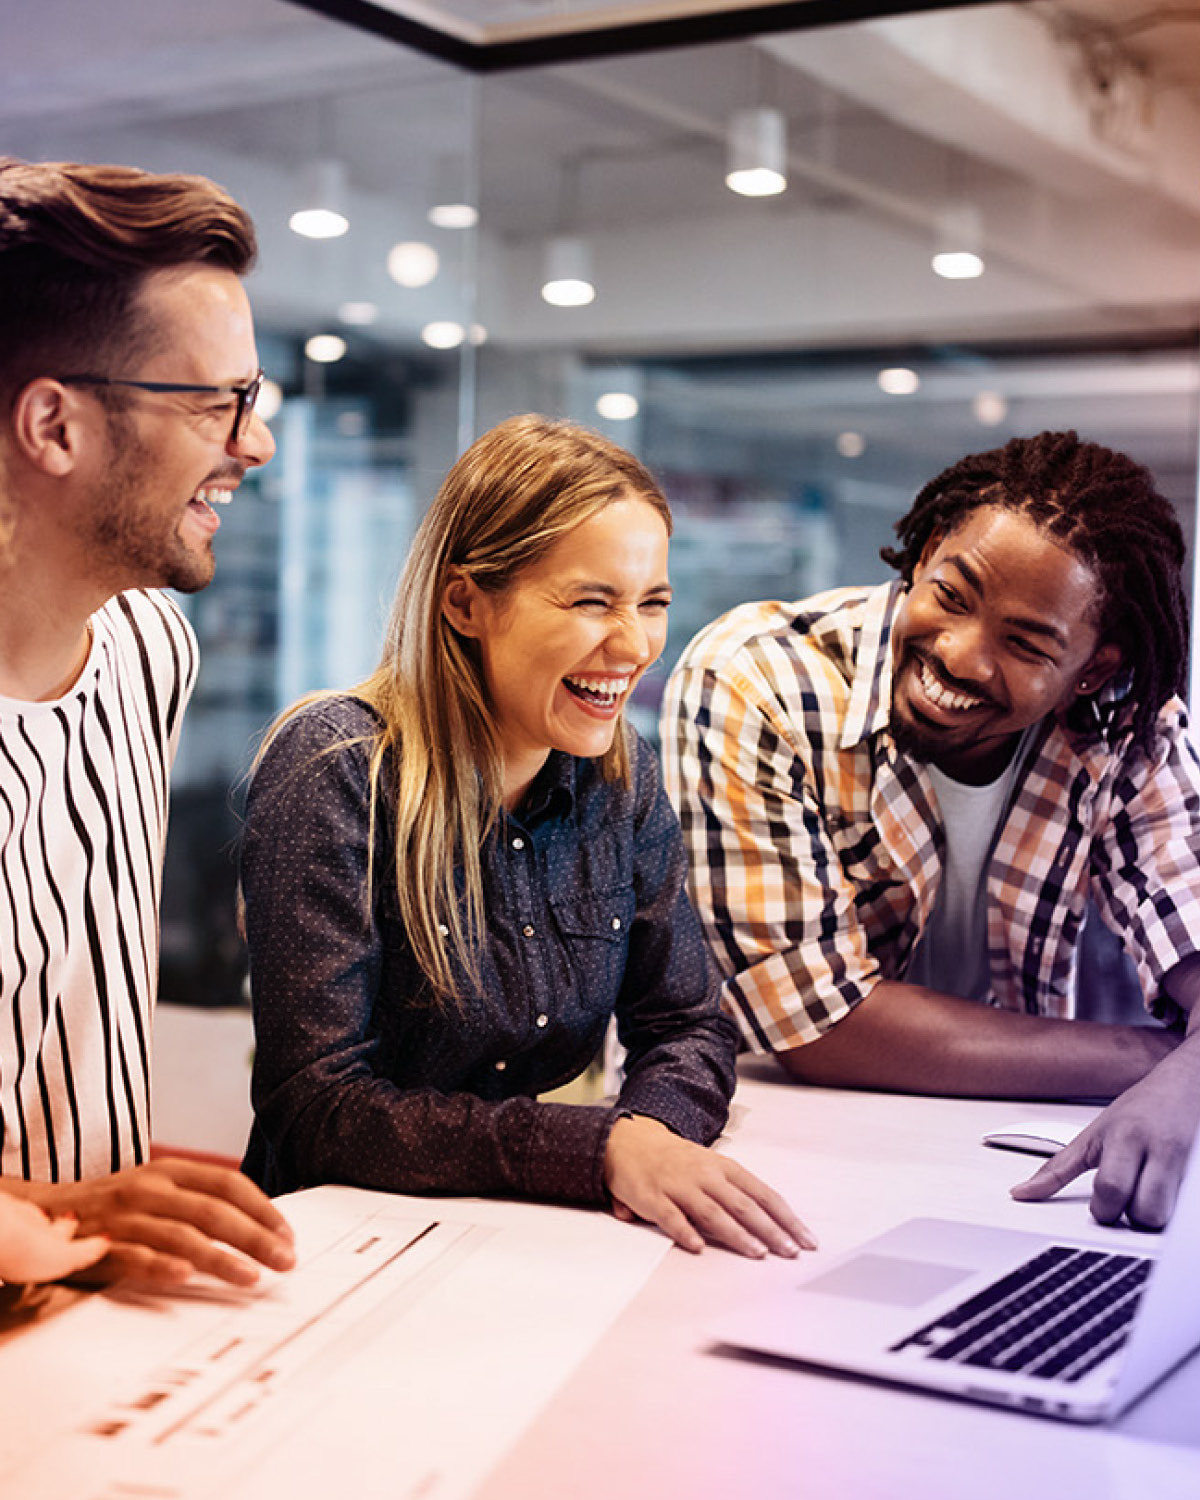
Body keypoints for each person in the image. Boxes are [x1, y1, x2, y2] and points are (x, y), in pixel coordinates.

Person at [241, 414, 812, 1259]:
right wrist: (596, 1151)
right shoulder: (336, 766)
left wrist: (649, 1137)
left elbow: (688, 1027)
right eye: (591, 601)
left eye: (652, 602)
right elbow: (317, 1108)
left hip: (524, 1235)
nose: (634, 644)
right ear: (465, 602)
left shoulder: (622, 778)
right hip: (335, 1251)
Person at [663, 430, 1200, 1232]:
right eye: (952, 594)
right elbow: (821, 1028)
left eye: (1024, 644)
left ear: (1089, 669)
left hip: (993, 1155)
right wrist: (1167, 1060)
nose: (959, 654)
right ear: (922, 558)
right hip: (756, 1159)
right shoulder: (754, 678)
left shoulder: (1123, 725)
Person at [0, 157, 295, 1287]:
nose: (252, 444)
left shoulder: (147, 647)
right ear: (54, 425)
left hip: (102, 1311)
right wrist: (57, 1218)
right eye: (216, 401)